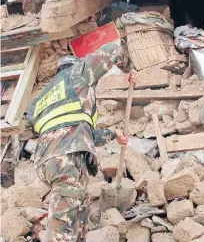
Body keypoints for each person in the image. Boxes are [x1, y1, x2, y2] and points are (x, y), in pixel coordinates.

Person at [27, 42, 138, 241]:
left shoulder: (42, 98)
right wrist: (129, 69)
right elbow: (113, 50)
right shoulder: (78, 74)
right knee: (61, 227)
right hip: (67, 158)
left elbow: (74, 128)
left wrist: (114, 134)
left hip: (46, 161)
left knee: (79, 209)